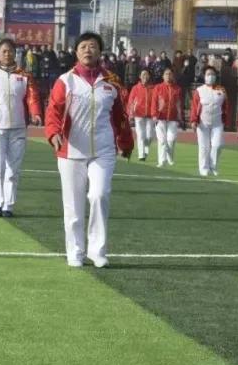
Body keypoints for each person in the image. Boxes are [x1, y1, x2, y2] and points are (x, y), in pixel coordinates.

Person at [45, 32, 134, 268]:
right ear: (76, 52)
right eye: (83, 46)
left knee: (99, 194)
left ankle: (98, 250)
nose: (88, 50)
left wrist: (126, 142)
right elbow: (53, 110)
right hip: (71, 150)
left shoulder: (111, 82)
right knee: (73, 204)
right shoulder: (66, 81)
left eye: (93, 46)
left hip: (103, 150)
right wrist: (53, 133)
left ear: (100, 52)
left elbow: (120, 116)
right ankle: (75, 251)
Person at [0, 38, 42, 217]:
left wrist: (35, 113)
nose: (7, 54)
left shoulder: (25, 76)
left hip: (19, 128)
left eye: (11, 51)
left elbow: (32, 98)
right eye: (4, 51)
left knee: (13, 169)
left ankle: (8, 206)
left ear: (15, 53)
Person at [190, 66, 229, 176]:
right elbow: (194, 106)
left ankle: (213, 166)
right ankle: (204, 168)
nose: (210, 76)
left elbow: (226, 106)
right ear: (204, 76)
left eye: (213, 74)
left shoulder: (222, 90)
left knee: (218, 145)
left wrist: (225, 120)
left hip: (217, 123)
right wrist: (193, 120)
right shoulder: (199, 91)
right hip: (203, 123)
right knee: (204, 146)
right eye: (208, 74)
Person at [151, 68, 183, 167]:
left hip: (173, 118)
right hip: (160, 117)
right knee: (162, 141)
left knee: (171, 140)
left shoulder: (177, 89)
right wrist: (154, 115)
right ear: (163, 76)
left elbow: (179, 104)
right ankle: (162, 161)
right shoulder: (158, 87)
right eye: (166, 74)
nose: (168, 76)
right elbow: (154, 102)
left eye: (170, 74)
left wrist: (180, 117)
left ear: (173, 76)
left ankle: (170, 157)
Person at [126, 69, 154, 161]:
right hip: (139, 115)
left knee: (149, 136)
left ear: (149, 76)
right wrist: (130, 114)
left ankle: (145, 150)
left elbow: (156, 102)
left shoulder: (153, 88)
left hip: (150, 115)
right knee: (140, 135)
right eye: (143, 75)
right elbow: (131, 101)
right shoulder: (135, 88)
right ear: (140, 77)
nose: (145, 77)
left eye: (146, 75)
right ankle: (141, 155)